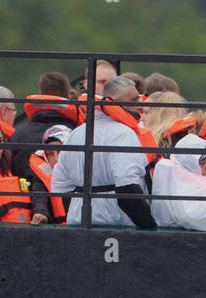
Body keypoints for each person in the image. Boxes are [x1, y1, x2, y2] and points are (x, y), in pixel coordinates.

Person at [51, 76, 156, 228]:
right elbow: (127, 188)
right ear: (115, 100)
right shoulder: (123, 134)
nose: (139, 106)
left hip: (78, 221)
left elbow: (60, 185)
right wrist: (149, 225)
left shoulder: (77, 133)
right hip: (116, 223)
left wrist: (78, 209)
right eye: (134, 101)